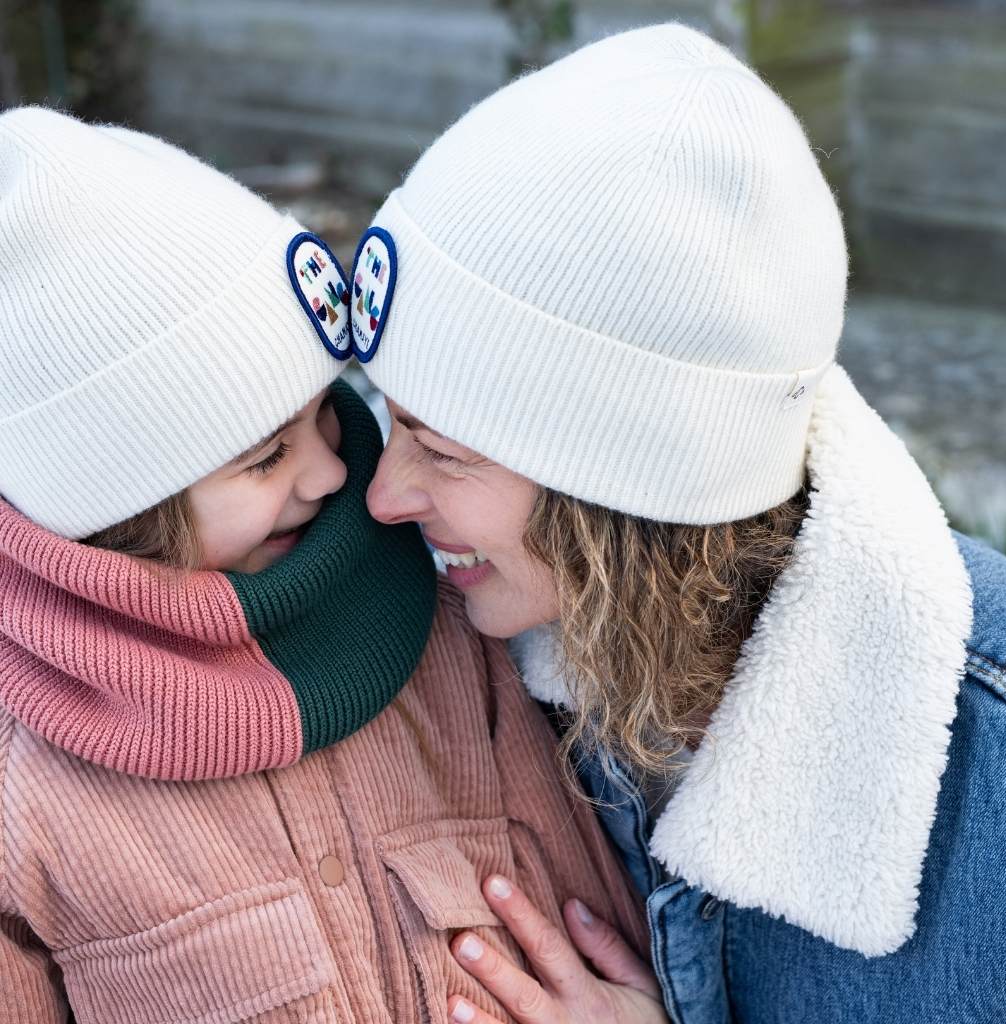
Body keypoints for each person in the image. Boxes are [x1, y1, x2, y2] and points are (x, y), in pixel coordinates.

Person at [360, 23, 1006, 1024]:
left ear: (628, 491)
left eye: (444, 449)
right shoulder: (452, 635)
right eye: (387, 420)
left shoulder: (1003, 756)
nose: (383, 495)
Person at [0, 107, 650, 1023]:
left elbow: (605, 934)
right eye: (266, 457)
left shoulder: (445, 627)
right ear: (116, 511)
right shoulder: (26, 790)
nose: (337, 472)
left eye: (326, 413)